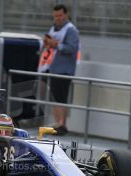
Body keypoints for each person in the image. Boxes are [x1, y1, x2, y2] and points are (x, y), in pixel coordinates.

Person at [42, 4, 80, 135]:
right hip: (53, 67)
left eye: (60, 15)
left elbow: (72, 48)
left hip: (64, 69)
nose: (57, 18)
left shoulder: (71, 30)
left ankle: (62, 124)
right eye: (55, 16)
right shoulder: (54, 28)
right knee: (55, 97)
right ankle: (57, 123)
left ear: (66, 15)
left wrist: (56, 45)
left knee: (61, 97)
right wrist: (48, 42)